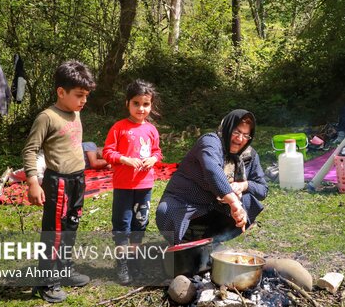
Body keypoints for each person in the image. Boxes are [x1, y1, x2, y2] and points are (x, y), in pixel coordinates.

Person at [22, 60, 95, 303]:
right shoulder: (47, 117)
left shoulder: (75, 112)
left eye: (86, 96)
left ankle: (64, 270)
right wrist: (33, 181)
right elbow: (30, 150)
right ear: (61, 92)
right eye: (79, 95)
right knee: (54, 232)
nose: (83, 101)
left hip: (78, 180)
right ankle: (45, 282)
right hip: (58, 183)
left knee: (71, 227)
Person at [156, 109, 268, 245]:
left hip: (217, 207)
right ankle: (184, 242)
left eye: (246, 135)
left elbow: (263, 189)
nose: (239, 139)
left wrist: (243, 185)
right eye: (236, 132)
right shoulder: (210, 142)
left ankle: (212, 240)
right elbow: (212, 170)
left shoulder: (249, 155)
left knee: (250, 201)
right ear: (227, 128)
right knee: (167, 211)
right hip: (187, 201)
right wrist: (234, 203)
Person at [102, 80, 162, 285]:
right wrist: (124, 159)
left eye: (146, 104)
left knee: (140, 224)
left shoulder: (152, 130)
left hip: (145, 186)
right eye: (136, 103)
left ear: (151, 105)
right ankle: (123, 264)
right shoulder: (119, 128)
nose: (141, 108)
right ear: (127, 103)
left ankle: (135, 261)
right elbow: (108, 152)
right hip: (123, 186)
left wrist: (154, 159)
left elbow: (156, 151)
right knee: (122, 225)